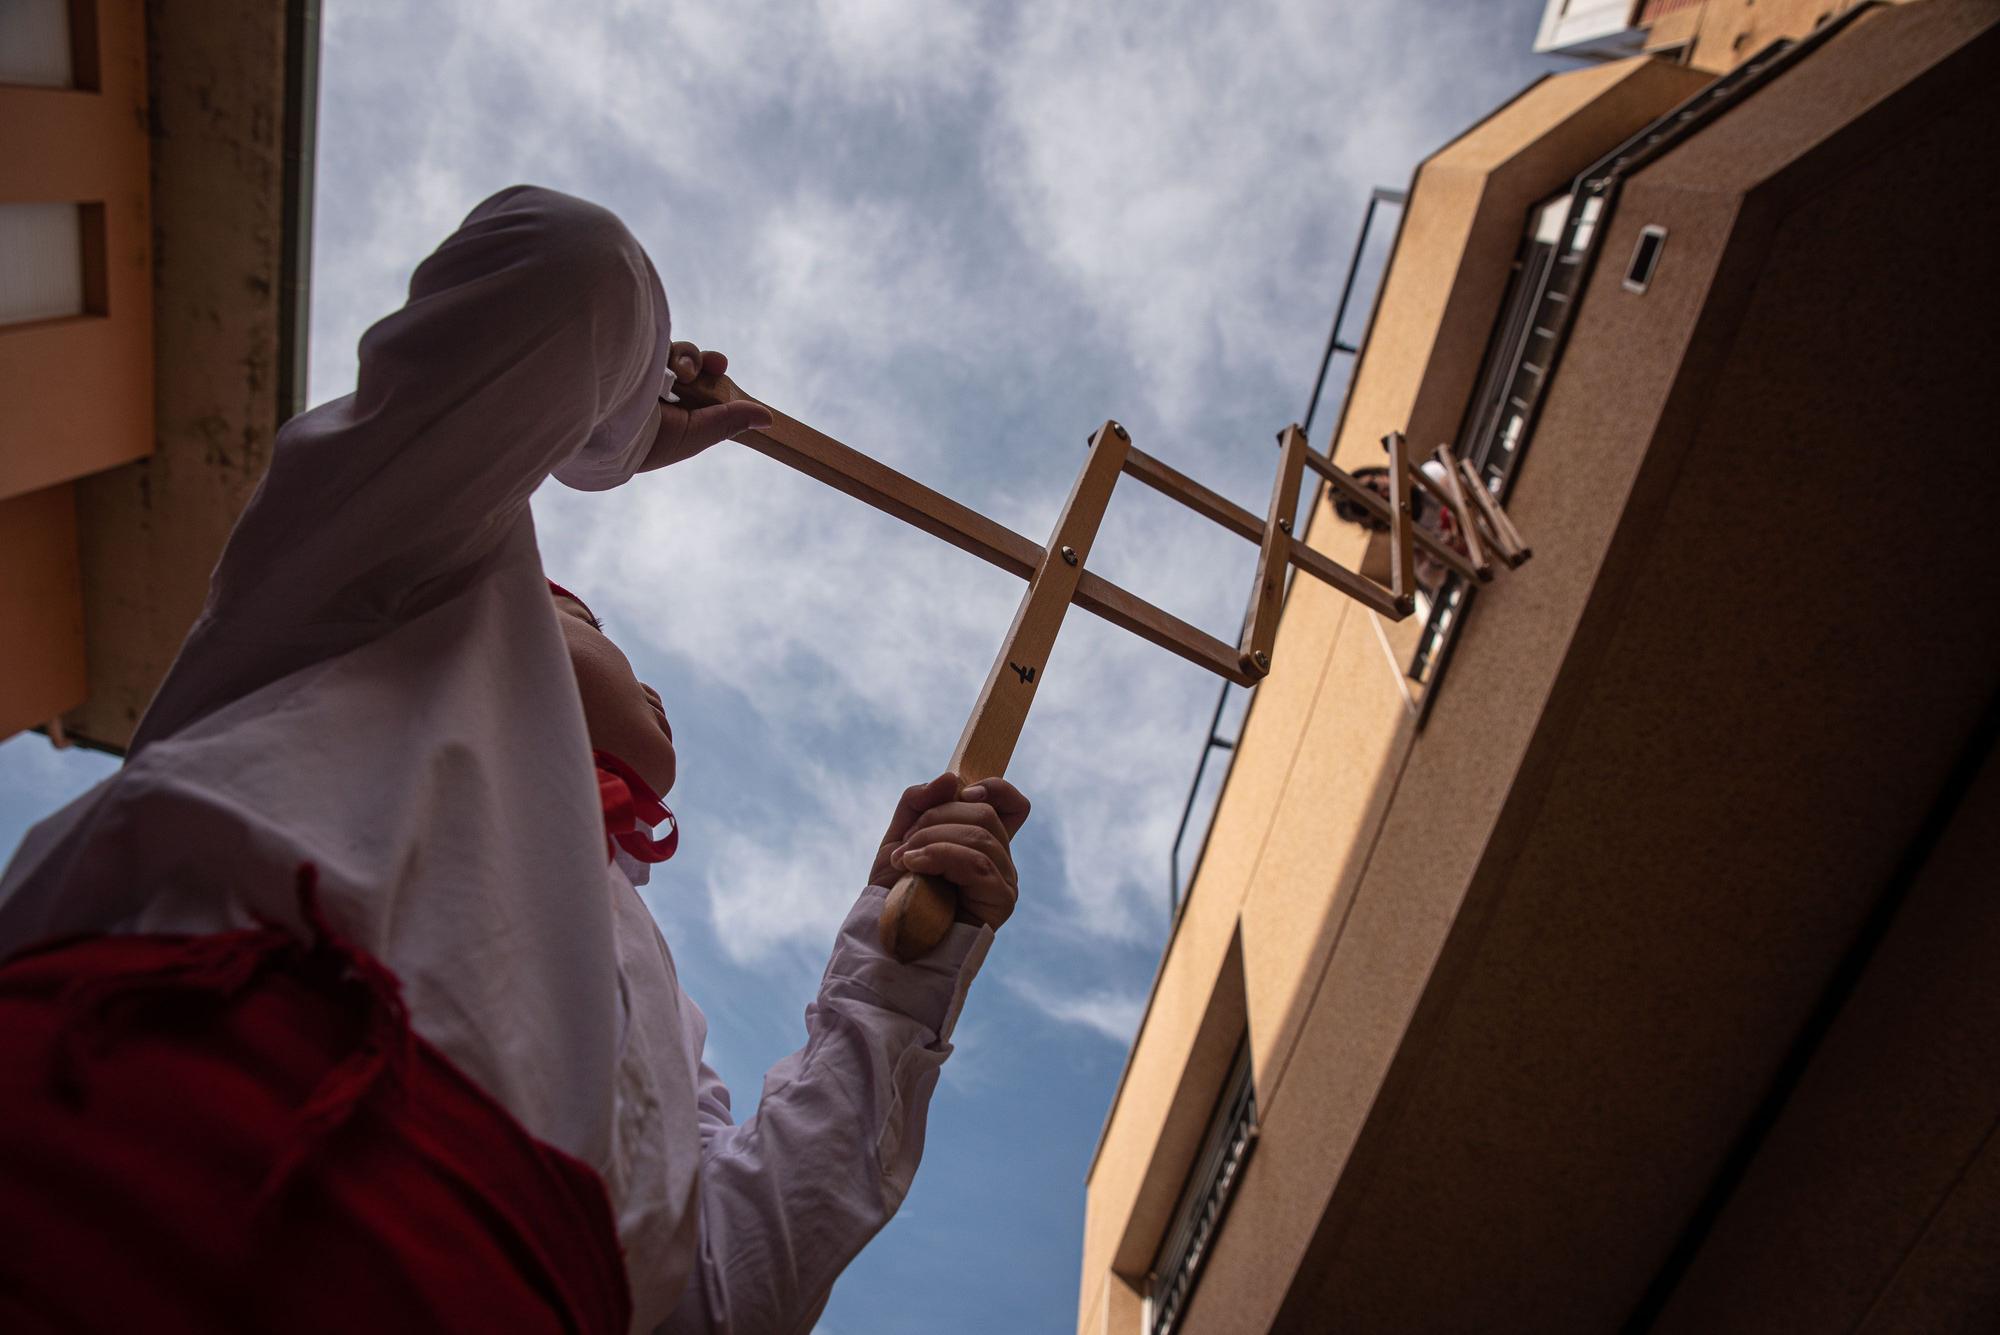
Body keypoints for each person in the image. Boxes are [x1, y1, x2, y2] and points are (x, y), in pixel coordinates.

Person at [0, 185, 1030, 1333]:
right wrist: (619, 431)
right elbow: (569, 269)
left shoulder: (639, 986)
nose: (648, 681)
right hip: (119, 1169)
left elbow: (725, 1291)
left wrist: (895, 978)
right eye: (597, 630)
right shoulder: (370, 599)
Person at [1329, 460, 1469, 594]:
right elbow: (1433, 579)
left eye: (1372, 486)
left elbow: (1468, 486)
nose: (1381, 495)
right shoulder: (1409, 542)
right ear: (1371, 520)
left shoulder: (1429, 478)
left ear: (1379, 474)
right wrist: (1437, 558)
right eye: (1367, 506)